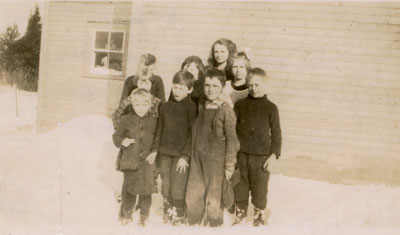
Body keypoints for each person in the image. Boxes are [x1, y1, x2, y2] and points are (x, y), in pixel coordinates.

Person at [186, 68, 239, 227]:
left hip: (216, 161)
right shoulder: (201, 105)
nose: (210, 89)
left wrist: (229, 164)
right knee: (194, 193)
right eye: (207, 85)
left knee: (214, 197)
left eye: (215, 86)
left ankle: (214, 225)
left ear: (222, 87)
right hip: (197, 157)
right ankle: (193, 224)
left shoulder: (226, 110)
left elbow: (232, 140)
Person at [232, 68, 282, 226]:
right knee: (240, 186)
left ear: (265, 84)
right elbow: (233, 130)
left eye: (257, 84)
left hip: (261, 157)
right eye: (251, 84)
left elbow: (276, 133)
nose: (253, 88)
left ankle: (259, 215)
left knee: (259, 187)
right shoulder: (240, 105)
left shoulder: (271, 108)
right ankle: (240, 214)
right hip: (242, 154)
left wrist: (273, 155)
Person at [153, 71, 197, 225]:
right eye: (175, 87)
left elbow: (192, 134)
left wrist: (185, 156)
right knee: (166, 185)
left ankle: (178, 213)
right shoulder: (165, 107)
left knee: (178, 185)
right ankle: (167, 209)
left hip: (180, 157)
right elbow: (159, 130)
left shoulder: (191, 108)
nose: (177, 91)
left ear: (190, 90)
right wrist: (156, 152)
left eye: (181, 88)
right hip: (165, 154)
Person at [112, 88, 160, 226]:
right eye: (137, 104)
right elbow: (116, 136)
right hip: (130, 161)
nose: (141, 108)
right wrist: (123, 141)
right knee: (129, 189)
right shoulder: (126, 119)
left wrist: (154, 151)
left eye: (144, 104)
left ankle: (144, 215)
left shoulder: (154, 120)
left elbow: (157, 138)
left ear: (150, 104)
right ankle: (126, 213)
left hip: (147, 162)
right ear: (132, 104)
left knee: (146, 190)